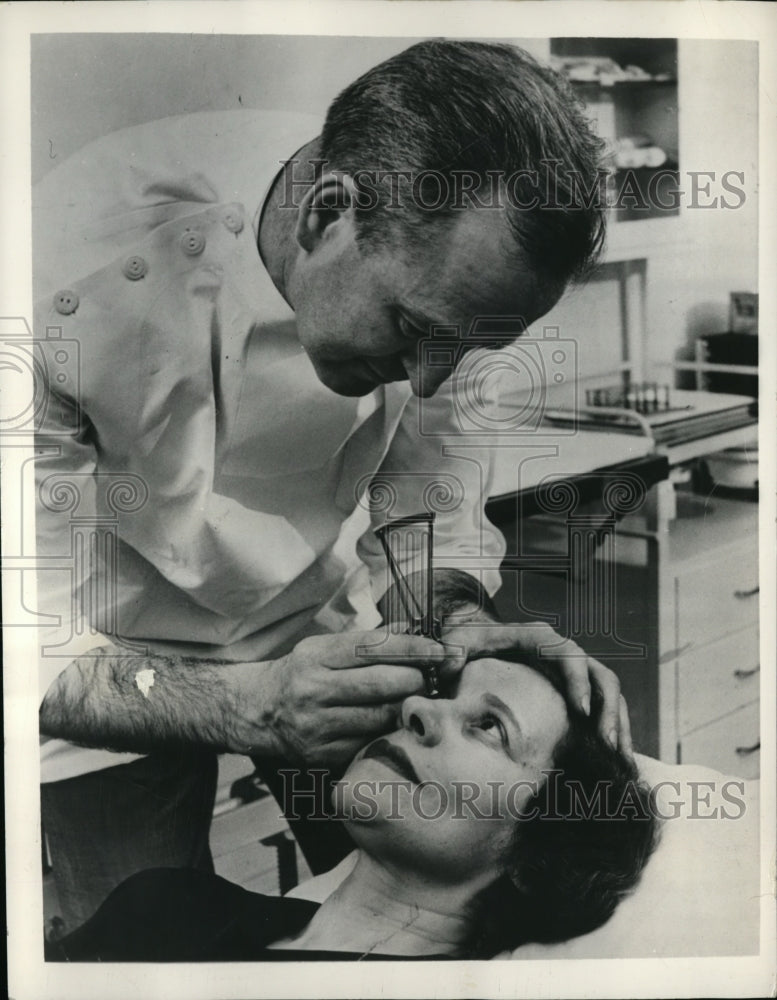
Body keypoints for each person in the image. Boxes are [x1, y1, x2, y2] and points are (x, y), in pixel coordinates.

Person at [34, 38, 625, 931]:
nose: (429, 383)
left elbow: (421, 506)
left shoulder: (451, 285)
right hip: (101, 650)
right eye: (415, 332)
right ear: (325, 216)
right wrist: (245, 706)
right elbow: (21, 648)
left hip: (311, 622)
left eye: (466, 352)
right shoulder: (43, 282)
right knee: (133, 931)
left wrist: (457, 618)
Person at [46, 656, 656, 961]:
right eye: (444, 692)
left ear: (539, 853)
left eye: (490, 727)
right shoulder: (165, 904)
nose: (417, 706)